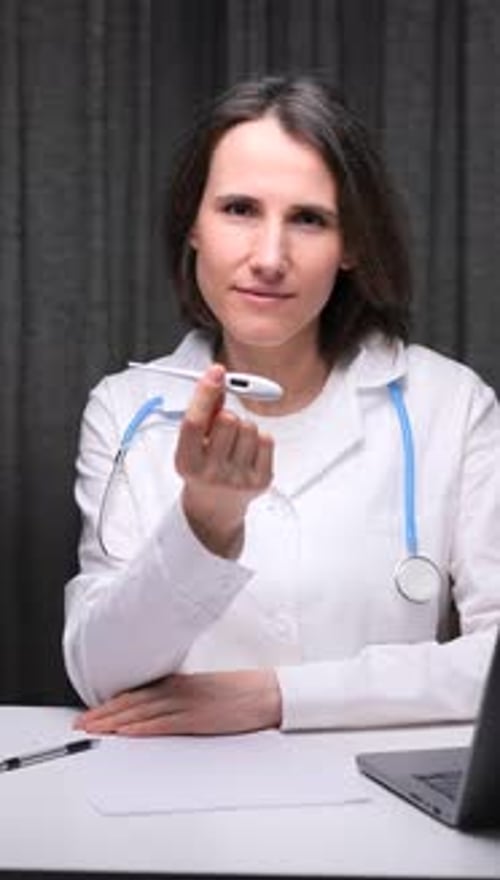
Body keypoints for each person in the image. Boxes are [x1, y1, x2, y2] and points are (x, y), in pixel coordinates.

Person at [64, 73, 500, 737]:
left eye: (309, 219)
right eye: (239, 209)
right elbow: (102, 673)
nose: (270, 258)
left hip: (385, 816)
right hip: (179, 813)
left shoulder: (449, 404)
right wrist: (207, 521)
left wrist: (281, 697)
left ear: (351, 244)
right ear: (193, 228)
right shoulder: (128, 409)